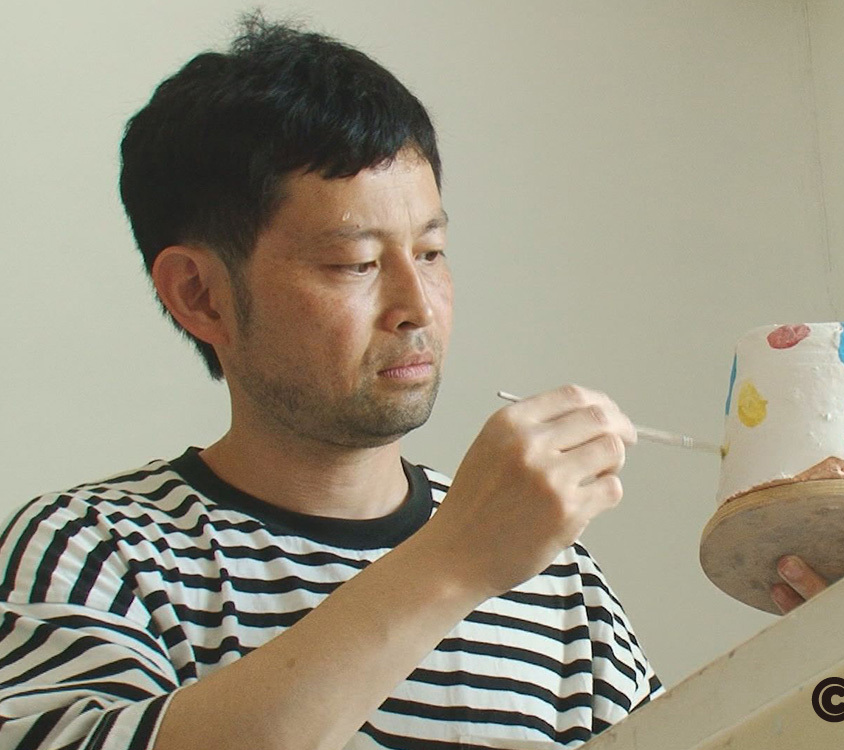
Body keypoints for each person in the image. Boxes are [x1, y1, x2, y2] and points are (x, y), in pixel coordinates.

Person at [0, 16, 662, 750]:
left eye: (431, 251)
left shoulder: (554, 575)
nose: (417, 307)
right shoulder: (95, 552)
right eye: (356, 263)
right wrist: (457, 559)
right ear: (200, 295)